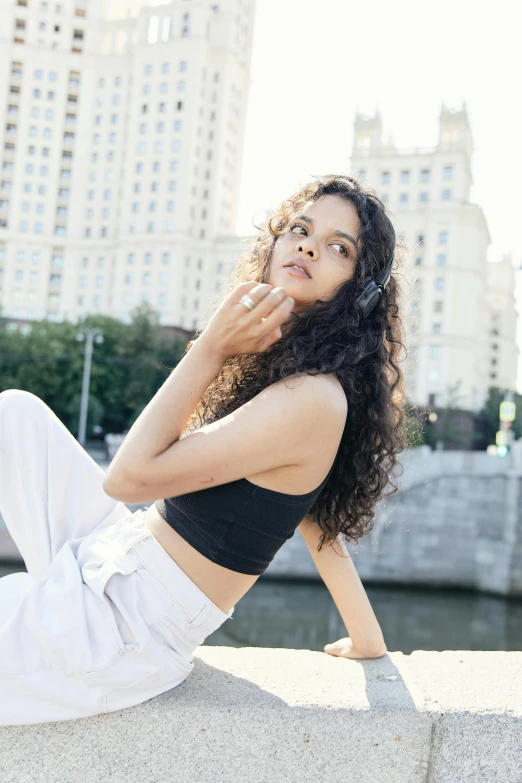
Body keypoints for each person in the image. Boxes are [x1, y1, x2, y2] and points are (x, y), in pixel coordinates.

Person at [0, 174, 407, 726]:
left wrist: (211, 345)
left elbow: (126, 479)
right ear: (273, 246)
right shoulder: (292, 376)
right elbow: (316, 522)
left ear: (358, 290)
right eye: (299, 230)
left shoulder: (314, 397)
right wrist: (368, 639)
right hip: (115, 555)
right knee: (16, 414)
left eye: (339, 248)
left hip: (123, 631)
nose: (309, 245)